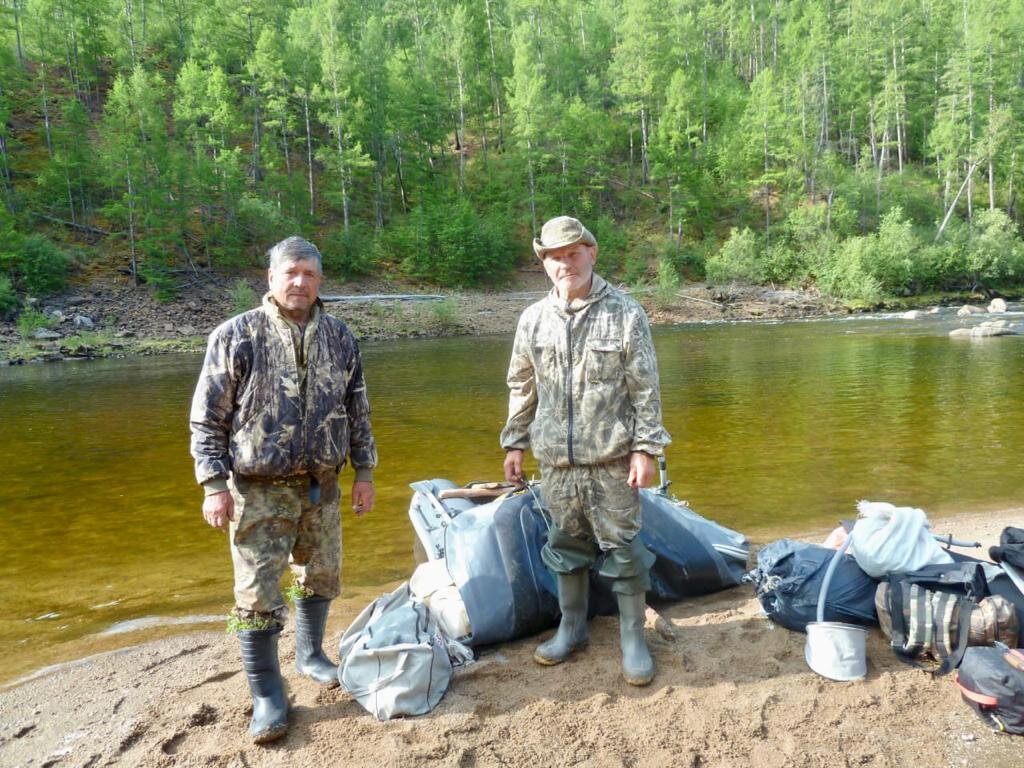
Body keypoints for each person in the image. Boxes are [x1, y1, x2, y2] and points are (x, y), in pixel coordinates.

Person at [189, 236, 377, 743]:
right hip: (256, 490)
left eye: (310, 275)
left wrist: (364, 471)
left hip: (323, 486)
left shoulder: (341, 337)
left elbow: (357, 408)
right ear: (271, 278)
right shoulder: (236, 335)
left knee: (320, 576)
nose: (300, 282)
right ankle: (268, 694)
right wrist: (212, 485)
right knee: (255, 597)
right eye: (291, 272)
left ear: (320, 281)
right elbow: (207, 421)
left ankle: (311, 652)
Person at [500, 216, 671, 686]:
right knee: (565, 544)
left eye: (573, 253)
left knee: (624, 549)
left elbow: (645, 388)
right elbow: (522, 386)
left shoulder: (625, 312)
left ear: (591, 253)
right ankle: (571, 627)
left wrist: (646, 449)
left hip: (613, 459)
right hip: (555, 463)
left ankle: (633, 639)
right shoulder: (532, 319)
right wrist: (514, 442)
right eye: (555, 257)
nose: (564, 264)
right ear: (544, 264)